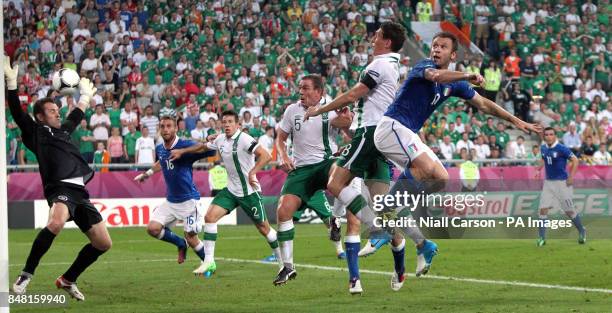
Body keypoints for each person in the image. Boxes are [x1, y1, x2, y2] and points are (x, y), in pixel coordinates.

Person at [366, 32, 540, 291]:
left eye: (442, 47)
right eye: (434, 45)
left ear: (453, 54)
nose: (436, 50)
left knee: (441, 179)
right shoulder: (424, 67)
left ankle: (422, 243)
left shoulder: (455, 83)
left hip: (407, 133)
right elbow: (437, 76)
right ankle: (384, 221)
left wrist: (517, 121)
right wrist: (467, 75)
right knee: (424, 172)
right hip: (391, 127)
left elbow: (484, 104)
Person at [303, 22, 406, 294]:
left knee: (335, 184)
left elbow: (352, 93)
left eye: (378, 35)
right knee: (383, 211)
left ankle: (375, 231)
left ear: (387, 42)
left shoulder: (379, 65)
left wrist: (319, 111)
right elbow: (364, 101)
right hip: (377, 138)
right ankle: (396, 270)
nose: (373, 38)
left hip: (370, 136)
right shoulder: (393, 66)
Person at [6, 57, 111, 301]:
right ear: (41, 117)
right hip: (59, 188)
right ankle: (25, 275)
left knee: (103, 243)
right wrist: (12, 84)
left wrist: (85, 96)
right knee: (56, 222)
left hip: (80, 192)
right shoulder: (35, 132)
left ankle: (67, 279)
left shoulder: (63, 131)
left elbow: (75, 115)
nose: (57, 112)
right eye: (52, 111)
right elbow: (17, 113)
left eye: (57, 110)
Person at [170, 110, 282, 276]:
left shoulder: (245, 139)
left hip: (249, 192)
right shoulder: (220, 139)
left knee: (264, 229)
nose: (227, 125)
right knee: (210, 217)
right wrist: (182, 152)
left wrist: (253, 172)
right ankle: (208, 262)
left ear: (238, 124)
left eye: (230, 122)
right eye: (225, 122)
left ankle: (283, 263)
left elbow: (265, 156)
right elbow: (201, 147)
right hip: (231, 191)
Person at [272, 75, 353, 286]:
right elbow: (280, 138)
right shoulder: (292, 110)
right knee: (283, 211)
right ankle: (288, 267)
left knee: (342, 172)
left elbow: (347, 125)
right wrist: (284, 156)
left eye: (306, 88)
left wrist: (346, 119)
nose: (301, 91)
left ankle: (337, 216)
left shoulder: (331, 106)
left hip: (326, 162)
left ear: (319, 92)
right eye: (300, 88)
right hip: (301, 170)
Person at [133, 116, 215, 271]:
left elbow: (208, 149)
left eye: (169, 126)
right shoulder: (160, 148)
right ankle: (180, 243)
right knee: (153, 229)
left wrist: (203, 143)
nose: (165, 129)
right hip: (171, 201)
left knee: (191, 237)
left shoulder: (185, 145)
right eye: (162, 126)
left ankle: (209, 264)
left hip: (189, 201)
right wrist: (148, 173)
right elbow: (162, 162)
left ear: (176, 128)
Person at [535, 127, 586, 246]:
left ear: (555, 136)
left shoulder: (562, 148)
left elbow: (575, 160)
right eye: (546, 134)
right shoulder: (543, 148)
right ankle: (542, 238)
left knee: (569, 211)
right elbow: (544, 159)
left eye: (551, 134)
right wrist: (538, 169)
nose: (548, 136)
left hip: (562, 183)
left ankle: (582, 230)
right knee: (542, 210)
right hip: (548, 183)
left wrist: (571, 177)